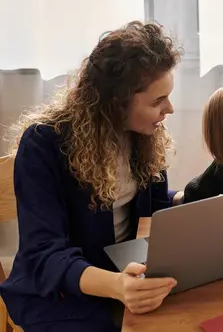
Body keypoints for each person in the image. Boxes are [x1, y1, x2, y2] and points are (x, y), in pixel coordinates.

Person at [0, 21, 183, 331]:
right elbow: (44, 254)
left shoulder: (143, 135)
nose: (170, 109)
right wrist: (118, 287)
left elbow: (147, 209)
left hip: (124, 273)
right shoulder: (45, 143)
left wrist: (186, 199)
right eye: (157, 101)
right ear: (117, 102)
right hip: (61, 291)